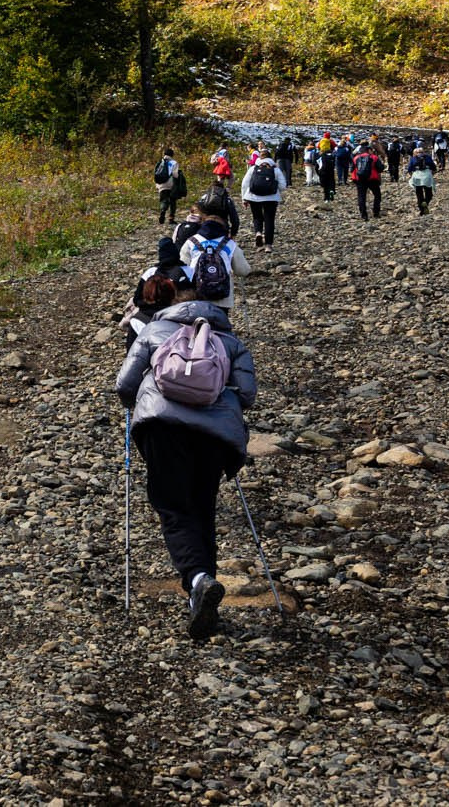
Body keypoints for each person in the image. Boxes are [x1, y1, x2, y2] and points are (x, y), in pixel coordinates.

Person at [115, 267, 258, 639]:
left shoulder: (153, 331)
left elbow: (124, 385)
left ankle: (197, 580)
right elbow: (247, 395)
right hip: (214, 437)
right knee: (201, 507)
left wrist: (145, 399)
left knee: (174, 507)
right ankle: (202, 588)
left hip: (162, 430)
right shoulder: (230, 341)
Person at [179, 199, 252, 316]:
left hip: (197, 294)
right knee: (219, 324)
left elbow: (182, 269)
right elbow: (242, 270)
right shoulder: (229, 244)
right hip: (222, 296)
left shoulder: (191, 242)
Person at [119, 238, 187, 347]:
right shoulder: (189, 271)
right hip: (179, 317)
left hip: (147, 320)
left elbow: (137, 299)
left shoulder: (150, 273)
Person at [241, 152, 286, 248]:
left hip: (253, 197)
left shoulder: (253, 168)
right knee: (269, 220)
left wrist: (244, 198)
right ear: (271, 158)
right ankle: (268, 245)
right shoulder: (275, 169)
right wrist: (274, 187)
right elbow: (283, 186)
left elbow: (244, 184)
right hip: (271, 198)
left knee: (257, 217)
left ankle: (258, 233)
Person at [351, 141, 384, 221]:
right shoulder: (374, 157)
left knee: (361, 196)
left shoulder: (356, 158)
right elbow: (381, 168)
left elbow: (352, 169)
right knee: (377, 195)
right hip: (372, 179)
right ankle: (376, 212)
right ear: (368, 150)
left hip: (360, 179)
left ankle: (363, 214)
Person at [154, 148, 186, 226]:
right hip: (170, 184)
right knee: (172, 201)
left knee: (163, 200)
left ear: (164, 154)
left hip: (161, 184)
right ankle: (171, 218)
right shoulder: (174, 162)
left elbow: (156, 173)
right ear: (172, 155)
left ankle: (163, 211)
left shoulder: (160, 162)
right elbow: (175, 174)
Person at [408, 142, 438, 215]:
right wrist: (433, 172)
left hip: (417, 177)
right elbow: (433, 167)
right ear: (423, 152)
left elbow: (409, 169)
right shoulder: (427, 157)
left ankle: (421, 211)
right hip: (427, 176)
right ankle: (426, 202)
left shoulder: (413, 158)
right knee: (429, 193)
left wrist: (411, 174)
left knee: (419, 194)